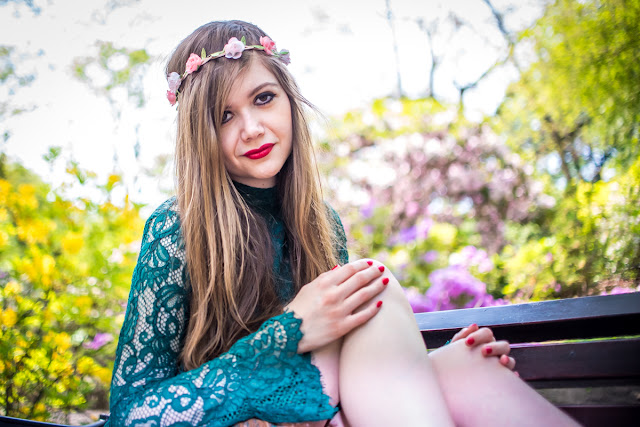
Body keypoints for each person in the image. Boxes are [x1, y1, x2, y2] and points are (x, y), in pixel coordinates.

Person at [107, 20, 578, 427]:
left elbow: (349, 364)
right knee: (372, 288)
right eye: (224, 115)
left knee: (467, 367)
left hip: (324, 412)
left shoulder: (321, 223)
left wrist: (422, 366)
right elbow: (131, 414)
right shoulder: (178, 228)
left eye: (264, 98)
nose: (251, 128)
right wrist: (287, 332)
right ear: (200, 133)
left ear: (289, 102)